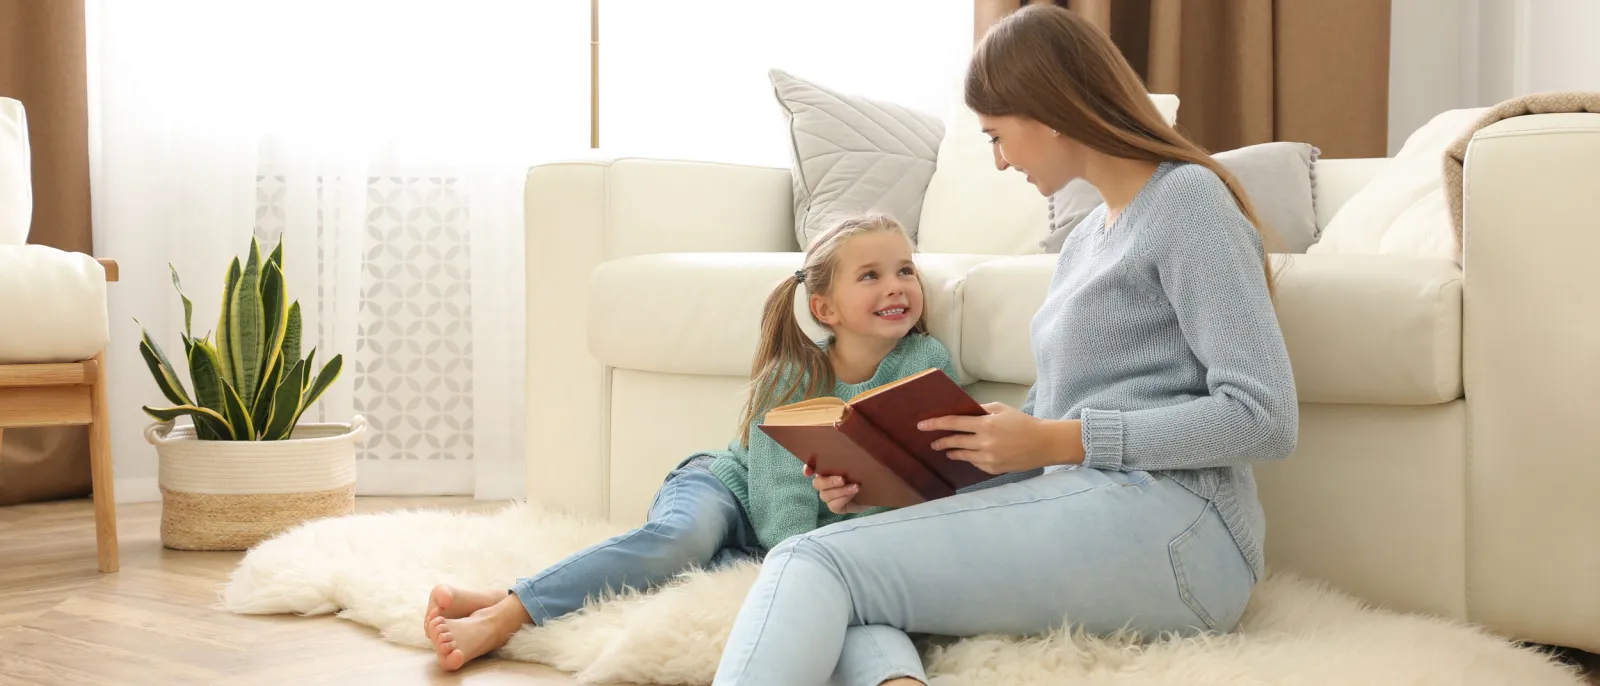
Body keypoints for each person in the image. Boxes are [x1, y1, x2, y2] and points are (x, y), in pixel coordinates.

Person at [710, 6, 1300, 686]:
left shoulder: (1188, 202)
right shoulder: (1085, 240)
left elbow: (1264, 418)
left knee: (805, 563)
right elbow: (1049, 433)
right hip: (1091, 505)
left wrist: (1060, 441)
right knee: (837, 556)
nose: (998, 160)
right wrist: (894, 478)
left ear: (1045, 109)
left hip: (1184, 532)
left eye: (997, 135)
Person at [422, 214, 958, 671]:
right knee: (683, 542)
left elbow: (911, 482)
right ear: (825, 309)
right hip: (728, 488)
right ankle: (511, 609)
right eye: (871, 275)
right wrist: (805, 559)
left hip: (808, 527)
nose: (896, 285)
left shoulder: (924, 362)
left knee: (714, 567)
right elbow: (776, 494)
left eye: (905, 270)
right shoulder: (791, 376)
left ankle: (520, 594)